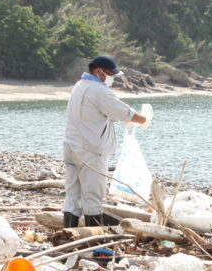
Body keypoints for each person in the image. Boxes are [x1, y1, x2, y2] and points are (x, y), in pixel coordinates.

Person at [62, 55, 152, 228]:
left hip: (70, 145)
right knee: (93, 196)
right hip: (90, 150)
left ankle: (68, 235)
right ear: (98, 71)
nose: (112, 79)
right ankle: (91, 241)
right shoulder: (99, 90)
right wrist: (145, 120)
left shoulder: (79, 86)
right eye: (110, 74)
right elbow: (124, 113)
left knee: (72, 195)